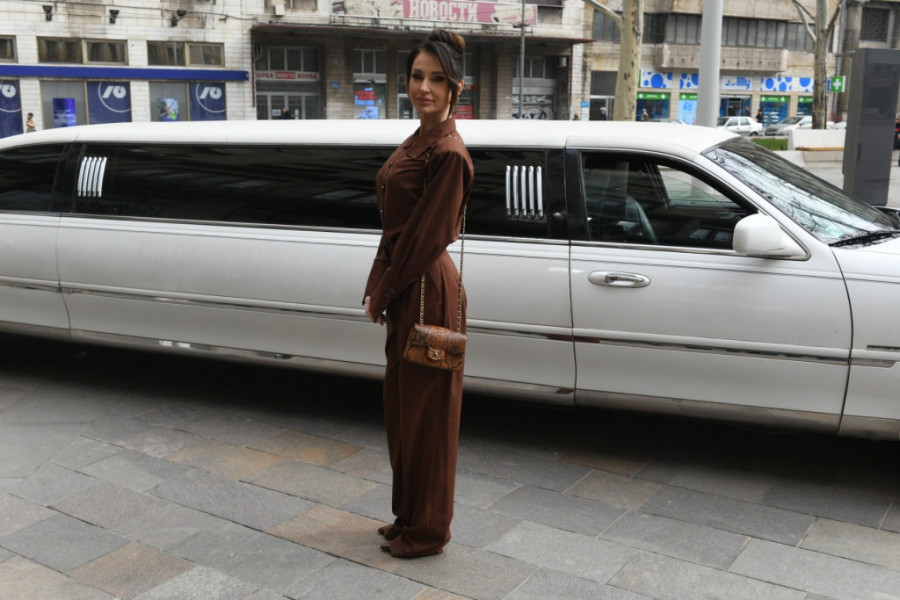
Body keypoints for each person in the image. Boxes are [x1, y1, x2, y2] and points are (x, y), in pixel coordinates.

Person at [363, 28, 474, 558]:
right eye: (416, 76)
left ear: (455, 87)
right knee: (403, 408)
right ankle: (407, 515)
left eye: (437, 79)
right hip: (407, 284)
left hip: (428, 289)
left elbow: (426, 236)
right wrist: (377, 286)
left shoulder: (448, 152)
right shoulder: (415, 141)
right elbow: (393, 228)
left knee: (429, 416)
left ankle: (429, 531)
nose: (423, 87)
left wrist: (385, 290)